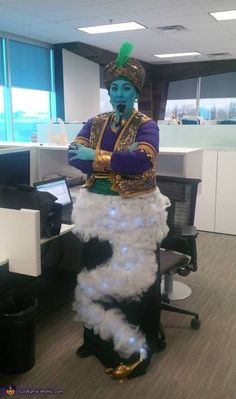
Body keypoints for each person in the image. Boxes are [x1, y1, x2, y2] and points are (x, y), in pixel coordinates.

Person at [68, 42, 170, 380]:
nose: (119, 93)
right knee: (94, 276)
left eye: (126, 88)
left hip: (134, 216)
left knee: (132, 286)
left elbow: (143, 159)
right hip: (97, 214)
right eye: (114, 88)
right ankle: (96, 340)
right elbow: (72, 155)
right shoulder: (96, 121)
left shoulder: (147, 125)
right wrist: (115, 164)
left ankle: (136, 350)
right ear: (109, 92)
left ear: (135, 92)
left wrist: (96, 160)